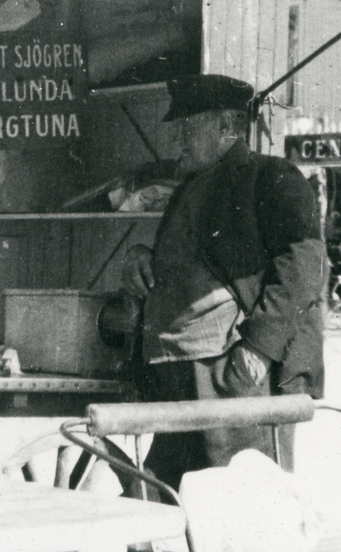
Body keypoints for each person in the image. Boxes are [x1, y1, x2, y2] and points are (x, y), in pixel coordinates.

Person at [121, 74, 326, 492]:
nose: (177, 137)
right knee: (175, 502)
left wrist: (258, 351)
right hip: (180, 374)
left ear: (227, 125)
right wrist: (143, 256)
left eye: (188, 125)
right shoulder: (190, 187)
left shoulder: (271, 176)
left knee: (239, 502)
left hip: (231, 376)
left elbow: (304, 265)